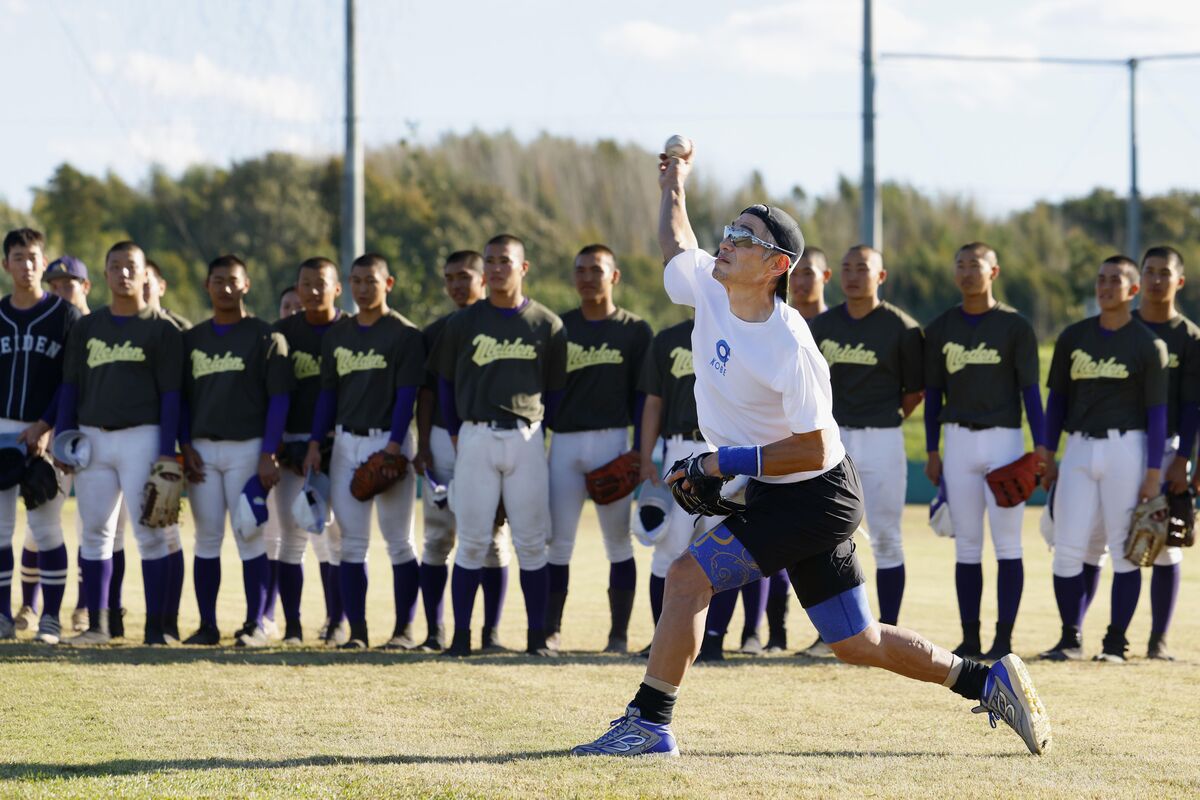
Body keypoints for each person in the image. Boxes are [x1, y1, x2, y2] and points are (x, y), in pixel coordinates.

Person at [571, 142, 1049, 758]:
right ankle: (986, 680)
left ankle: (648, 723)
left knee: (687, 579)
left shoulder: (788, 346)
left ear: (776, 265)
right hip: (790, 492)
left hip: (814, 494)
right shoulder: (711, 285)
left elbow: (814, 448)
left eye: (743, 237)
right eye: (728, 230)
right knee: (857, 641)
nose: (726, 242)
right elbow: (675, 242)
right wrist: (674, 182)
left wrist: (722, 463)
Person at [430, 234, 568, 657]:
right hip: (474, 435)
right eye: (489, 261)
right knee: (471, 541)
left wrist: (542, 433)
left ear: (523, 268)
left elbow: (555, 390)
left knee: (530, 541)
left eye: (504, 261)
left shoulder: (546, 324)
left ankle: (536, 638)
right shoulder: (462, 323)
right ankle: (460, 639)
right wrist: (455, 432)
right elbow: (444, 384)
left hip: (526, 434)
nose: (494, 268)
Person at [1039, 256, 1170, 662]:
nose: (1106, 287)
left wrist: (1152, 472)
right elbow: (1057, 400)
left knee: (1124, 547)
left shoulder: (1149, 344)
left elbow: (1157, 414)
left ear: (1133, 291)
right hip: (1077, 446)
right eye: (1101, 279)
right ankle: (1069, 638)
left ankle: (1115, 644)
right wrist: (1047, 449)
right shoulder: (1074, 336)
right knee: (1066, 546)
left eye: (1116, 280)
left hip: (1126, 447)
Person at [55, 241, 185, 645]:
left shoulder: (162, 329)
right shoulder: (86, 327)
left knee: (149, 533)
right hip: (93, 436)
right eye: (115, 267)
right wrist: (63, 438)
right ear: (105, 274)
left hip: (142, 437)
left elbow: (171, 395)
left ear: (146, 274)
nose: (124, 274)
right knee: (95, 532)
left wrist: (167, 450)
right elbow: (70, 386)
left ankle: (155, 629)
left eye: (131, 267)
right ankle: (99, 625)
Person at [923, 243, 1046, 660]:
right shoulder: (940, 328)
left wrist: (1041, 445)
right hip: (956, 439)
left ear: (994, 271)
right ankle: (971, 637)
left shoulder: (1015, 326)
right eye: (960, 264)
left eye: (975, 264)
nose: (966, 271)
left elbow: (1031, 391)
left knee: (1009, 543)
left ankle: (1005, 638)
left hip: (1004, 441)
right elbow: (935, 394)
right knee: (968, 545)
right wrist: (931, 449)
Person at [303, 253, 425, 649]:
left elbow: (407, 395)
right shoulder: (338, 335)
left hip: (389, 441)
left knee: (399, 539)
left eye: (370, 280)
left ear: (387, 284)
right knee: (351, 542)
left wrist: (393, 446)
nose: (361, 287)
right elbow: (327, 395)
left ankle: (404, 631)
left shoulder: (405, 334)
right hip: (345, 442)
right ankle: (356, 632)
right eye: (355, 280)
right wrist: (315, 444)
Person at [805, 245, 922, 655]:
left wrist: (880, 418)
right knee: (825, 536)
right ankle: (831, 632)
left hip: (883, 436)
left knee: (887, 537)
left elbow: (914, 392)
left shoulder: (902, 328)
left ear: (881, 276)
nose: (854, 275)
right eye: (847, 268)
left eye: (863, 268)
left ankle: (887, 630)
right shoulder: (823, 325)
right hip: (832, 440)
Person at [179, 255, 293, 647]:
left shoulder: (266, 337)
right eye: (217, 280)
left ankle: (257, 623)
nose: (225, 287)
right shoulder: (193, 339)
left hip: (248, 449)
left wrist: (268, 452)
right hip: (204, 450)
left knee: (250, 535)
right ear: (206, 286)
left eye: (233, 280)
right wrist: (184, 444)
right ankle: (207, 625)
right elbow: (181, 400)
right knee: (207, 538)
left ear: (246, 285)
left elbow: (279, 401)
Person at [545, 244, 652, 653]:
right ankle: (550, 631)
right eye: (580, 270)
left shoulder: (634, 330)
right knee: (559, 542)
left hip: (613, 441)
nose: (588, 277)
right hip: (565, 442)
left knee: (617, 543)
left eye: (596, 269)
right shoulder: (559, 327)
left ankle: (618, 635)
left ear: (615, 276)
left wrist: (641, 450)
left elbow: (643, 397)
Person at [414, 251, 512, 652]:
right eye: (450, 277)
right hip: (441, 439)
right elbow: (425, 393)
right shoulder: (437, 330)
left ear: (483, 278)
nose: (456, 284)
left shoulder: (506, 324)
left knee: (492, 537)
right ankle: (435, 631)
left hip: (490, 439)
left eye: (464, 276)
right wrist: (422, 444)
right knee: (438, 537)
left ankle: (489, 633)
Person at [0, 230, 80, 644]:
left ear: (43, 262)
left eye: (33, 257)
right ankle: (1, 616)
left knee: (46, 528)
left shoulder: (65, 315)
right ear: (6, 264)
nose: (27, 265)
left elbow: (71, 382)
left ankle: (50, 618)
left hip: (45, 432)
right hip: (1, 430)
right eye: (18, 257)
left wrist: (48, 426)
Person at [271, 257, 348, 645]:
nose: (313, 291)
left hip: (337, 443)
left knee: (335, 535)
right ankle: (293, 626)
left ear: (337, 287)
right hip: (289, 443)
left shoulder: (350, 330)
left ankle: (337, 621)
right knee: (291, 534)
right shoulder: (281, 333)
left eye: (321, 283)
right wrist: (277, 445)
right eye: (306, 283)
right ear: (297, 288)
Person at [1132, 246, 1199, 660]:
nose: (1156, 280)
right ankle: (1091, 635)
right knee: (1096, 542)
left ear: (1179, 281)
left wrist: (1183, 458)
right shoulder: (1124, 327)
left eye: (1164, 272)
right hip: (1120, 441)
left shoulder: (1190, 337)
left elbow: (1196, 404)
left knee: (1166, 542)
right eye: (1149, 272)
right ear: (1138, 279)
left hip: (1172, 444)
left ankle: (1158, 640)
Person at [144, 260, 193, 332]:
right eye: (136, 285)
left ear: (161, 287)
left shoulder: (180, 328)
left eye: (145, 285)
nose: (140, 291)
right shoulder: (123, 327)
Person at [787, 247, 830, 320]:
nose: (799, 282)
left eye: (808, 273)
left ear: (826, 275)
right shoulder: (777, 324)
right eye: (793, 273)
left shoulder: (839, 325)